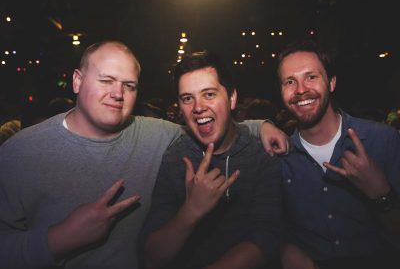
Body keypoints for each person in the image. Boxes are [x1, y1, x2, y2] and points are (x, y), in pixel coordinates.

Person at [0, 41, 288, 269]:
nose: (117, 93)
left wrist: (261, 125)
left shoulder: (157, 136)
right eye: (106, 80)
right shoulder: (19, 153)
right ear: (77, 81)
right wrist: (58, 239)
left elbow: (211, 126)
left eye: (129, 85)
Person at [140, 51, 284, 269]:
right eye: (188, 98)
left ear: (232, 98)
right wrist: (191, 212)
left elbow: (268, 238)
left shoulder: (262, 154)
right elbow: (151, 258)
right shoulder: (176, 157)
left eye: (208, 94)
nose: (198, 107)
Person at [276, 39, 400, 268]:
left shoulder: (383, 141)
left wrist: (381, 194)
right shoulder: (279, 157)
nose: (301, 90)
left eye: (311, 77)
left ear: (331, 82)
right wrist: (285, 249)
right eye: (290, 81)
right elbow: (270, 226)